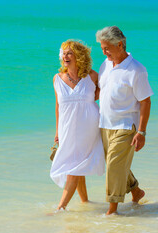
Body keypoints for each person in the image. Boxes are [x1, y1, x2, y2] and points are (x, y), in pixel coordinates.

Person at [96, 26, 153, 215]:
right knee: (117, 164)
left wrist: (142, 132)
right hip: (105, 125)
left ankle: (112, 210)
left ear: (120, 44)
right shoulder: (105, 65)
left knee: (113, 165)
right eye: (102, 48)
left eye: (107, 48)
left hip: (126, 126)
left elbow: (145, 101)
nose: (104, 52)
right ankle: (136, 191)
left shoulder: (136, 70)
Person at [50, 40, 105, 211]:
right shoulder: (57, 79)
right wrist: (58, 130)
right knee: (76, 163)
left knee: (74, 166)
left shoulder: (92, 76)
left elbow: (104, 93)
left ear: (79, 56)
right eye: (64, 53)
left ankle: (60, 208)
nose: (65, 56)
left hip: (88, 127)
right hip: (66, 128)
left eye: (69, 53)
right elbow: (58, 106)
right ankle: (85, 202)